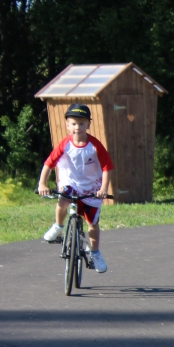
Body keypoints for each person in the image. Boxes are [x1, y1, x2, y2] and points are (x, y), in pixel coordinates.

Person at [38, 104, 114, 273]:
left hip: (91, 186)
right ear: (67, 125)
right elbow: (49, 164)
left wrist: (103, 188)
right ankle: (58, 226)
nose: (77, 127)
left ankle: (95, 252)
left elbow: (107, 167)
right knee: (63, 200)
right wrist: (42, 184)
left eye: (81, 123)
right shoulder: (65, 144)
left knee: (92, 222)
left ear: (88, 125)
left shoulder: (94, 145)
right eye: (73, 123)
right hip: (70, 182)